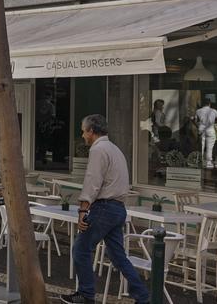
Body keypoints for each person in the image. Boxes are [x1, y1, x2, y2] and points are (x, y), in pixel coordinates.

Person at [62, 114, 149, 304]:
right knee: (118, 257)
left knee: (80, 249)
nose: (83, 135)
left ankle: (86, 294)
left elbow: (92, 181)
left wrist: (83, 210)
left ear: (91, 131)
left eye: (84, 131)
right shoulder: (115, 149)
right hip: (118, 209)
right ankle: (143, 296)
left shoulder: (98, 150)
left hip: (104, 207)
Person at [195, 99, 217, 169]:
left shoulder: (198, 111)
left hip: (201, 129)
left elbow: (195, 120)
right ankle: (208, 163)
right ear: (209, 104)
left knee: (201, 146)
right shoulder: (213, 111)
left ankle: (200, 162)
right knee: (209, 147)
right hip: (210, 130)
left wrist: (198, 126)